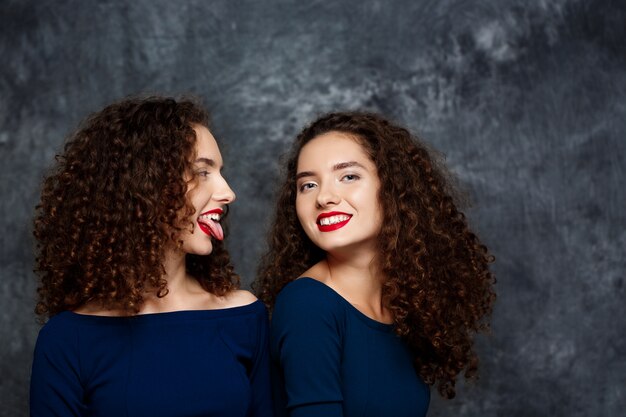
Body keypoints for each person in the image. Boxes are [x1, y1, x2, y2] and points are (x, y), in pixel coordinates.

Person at [30, 96, 273, 417]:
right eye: (201, 172)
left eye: (219, 172)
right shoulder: (67, 340)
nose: (228, 193)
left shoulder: (245, 318)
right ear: (144, 186)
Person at [256, 112, 496, 417]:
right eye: (308, 185)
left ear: (393, 189)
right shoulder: (308, 305)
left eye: (349, 176)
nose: (325, 197)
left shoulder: (404, 303)